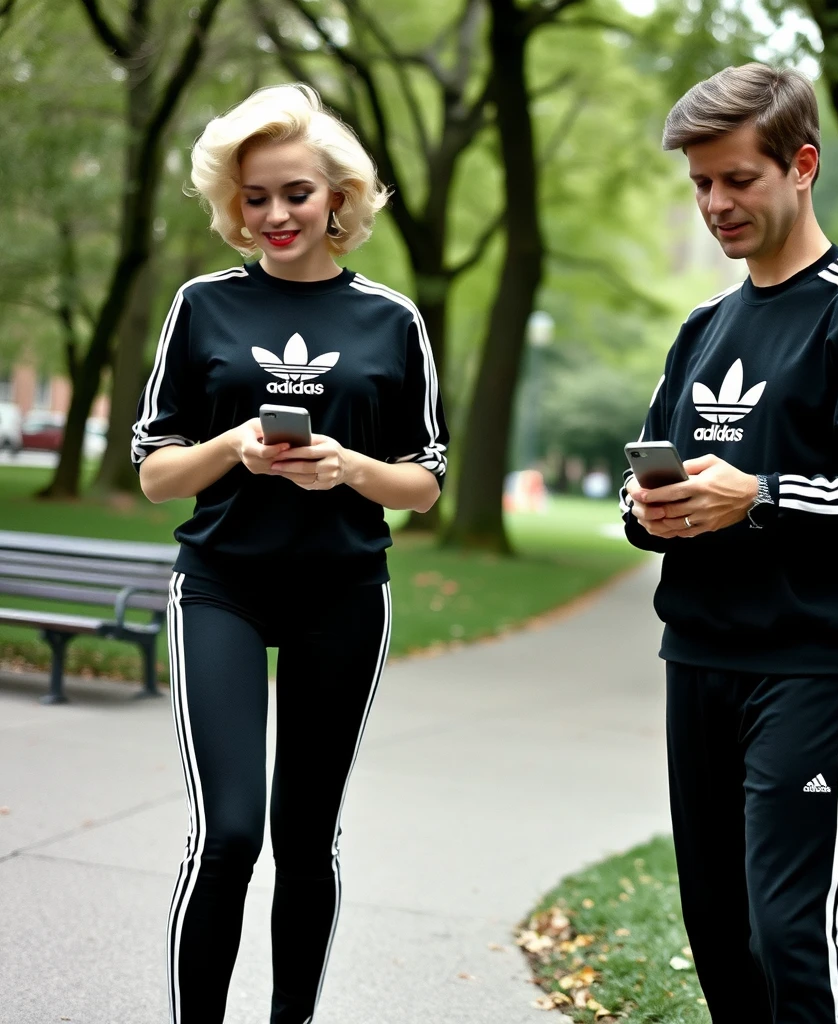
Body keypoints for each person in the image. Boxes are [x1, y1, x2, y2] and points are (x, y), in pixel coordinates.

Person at [620, 64, 838, 1023]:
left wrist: (758, 497)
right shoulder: (703, 328)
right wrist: (650, 511)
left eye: (737, 179)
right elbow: (646, 498)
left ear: (801, 166)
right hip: (698, 657)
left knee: (789, 933)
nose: (716, 203)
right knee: (717, 931)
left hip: (809, 664)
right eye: (701, 183)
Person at [132, 83, 448, 1024]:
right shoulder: (200, 308)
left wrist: (348, 467)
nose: (276, 215)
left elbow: (426, 482)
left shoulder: (393, 321)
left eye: (297, 194)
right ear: (236, 202)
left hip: (342, 595)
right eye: (257, 196)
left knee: (305, 838)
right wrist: (232, 446)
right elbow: (155, 475)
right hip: (223, 587)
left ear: (338, 198)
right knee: (229, 835)